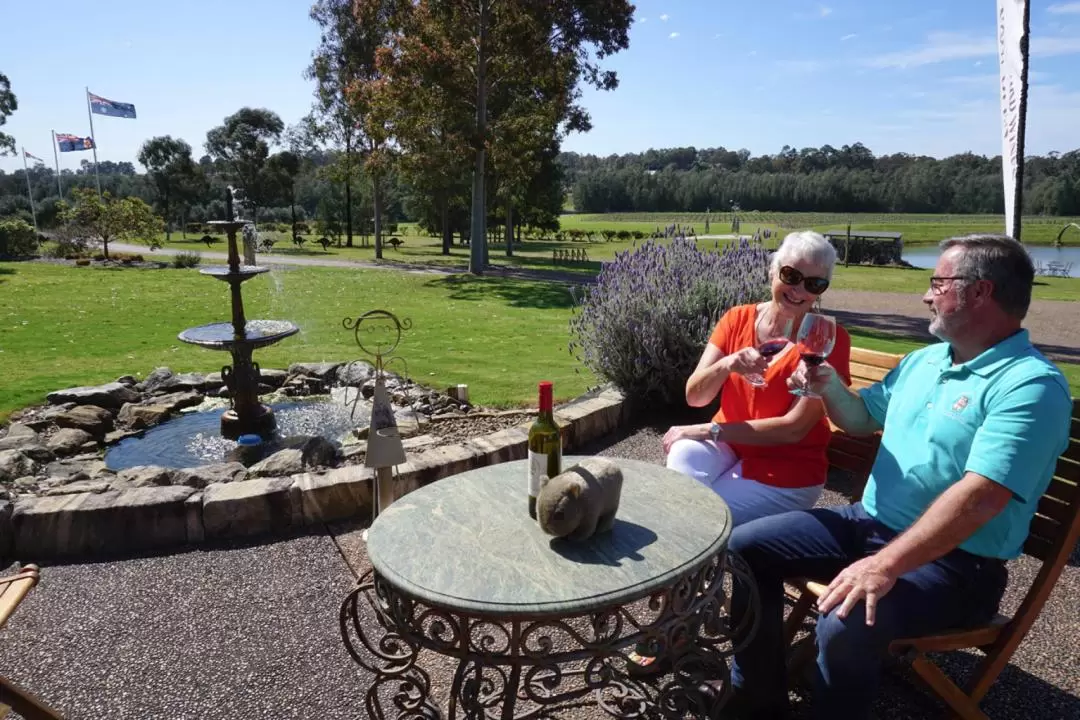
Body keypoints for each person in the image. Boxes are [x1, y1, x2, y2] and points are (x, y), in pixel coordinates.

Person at [723, 234, 1072, 719]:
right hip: (867, 523)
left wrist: (883, 565)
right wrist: (827, 386)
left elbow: (981, 498)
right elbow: (862, 418)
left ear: (979, 293)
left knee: (844, 624)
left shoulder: (1030, 387)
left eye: (937, 283)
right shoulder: (925, 360)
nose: (926, 295)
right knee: (743, 548)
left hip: (955, 565)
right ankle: (758, 698)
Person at [663, 230, 852, 526]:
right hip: (731, 448)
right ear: (772, 271)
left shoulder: (828, 340)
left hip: (787, 469)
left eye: (814, 283)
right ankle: (687, 559)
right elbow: (695, 396)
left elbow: (792, 430)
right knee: (683, 458)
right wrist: (727, 364)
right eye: (791, 275)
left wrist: (707, 430)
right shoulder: (737, 318)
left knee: (701, 516)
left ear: (821, 290)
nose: (799, 290)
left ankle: (683, 564)